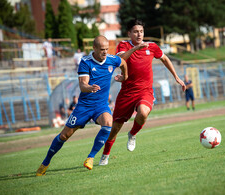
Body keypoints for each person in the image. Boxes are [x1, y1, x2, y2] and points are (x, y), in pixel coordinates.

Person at [98, 19, 186, 166]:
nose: (139, 34)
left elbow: (164, 58)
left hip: (145, 91)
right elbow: (120, 59)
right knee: (115, 128)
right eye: (135, 31)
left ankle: (132, 134)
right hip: (127, 92)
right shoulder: (124, 45)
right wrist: (136, 49)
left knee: (143, 112)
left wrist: (176, 77)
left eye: (141, 31)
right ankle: (105, 154)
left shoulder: (151, 46)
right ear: (129, 33)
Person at [36, 35, 128, 176]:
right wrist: (89, 87)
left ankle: (90, 157)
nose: (105, 52)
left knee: (108, 123)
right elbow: (82, 84)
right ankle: (46, 162)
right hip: (84, 106)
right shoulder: (85, 62)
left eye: (106, 49)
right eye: (102, 49)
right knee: (64, 136)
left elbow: (123, 62)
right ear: (94, 48)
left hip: (101, 105)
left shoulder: (111, 59)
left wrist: (125, 76)